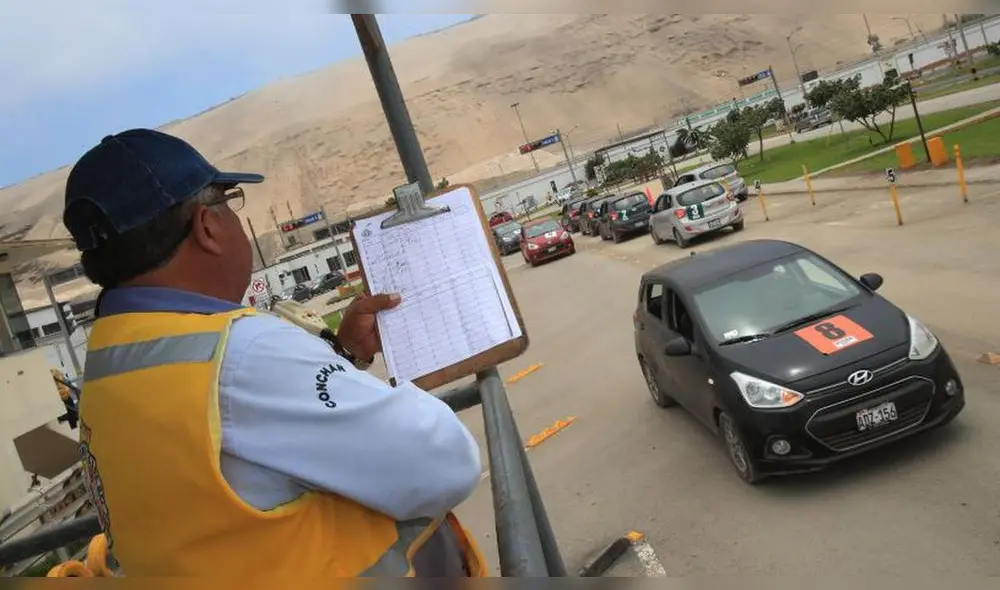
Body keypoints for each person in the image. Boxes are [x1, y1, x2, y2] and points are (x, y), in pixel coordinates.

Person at [63, 129, 486, 578]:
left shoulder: (110, 363)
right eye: (230, 202)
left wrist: (340, 354)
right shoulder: (244, 353)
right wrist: (401, 379)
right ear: (207, 227)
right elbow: (446, 463)